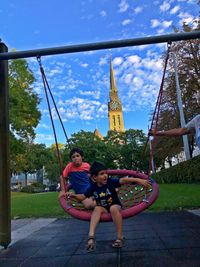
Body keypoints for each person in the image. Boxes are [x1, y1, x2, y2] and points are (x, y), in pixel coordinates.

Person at [67, 161, 151, 252]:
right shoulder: (93, 187)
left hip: (115, 205)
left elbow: (124, 180)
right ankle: (91, 237)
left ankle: (119, 237)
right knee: (97, 208)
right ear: (94, 177)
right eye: (102, 174)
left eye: (106, 173)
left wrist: (138, 180)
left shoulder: (110, 182)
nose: (105, 176)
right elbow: (83, 197)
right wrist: (73, 196)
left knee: (113, 208)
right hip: (103, 207)